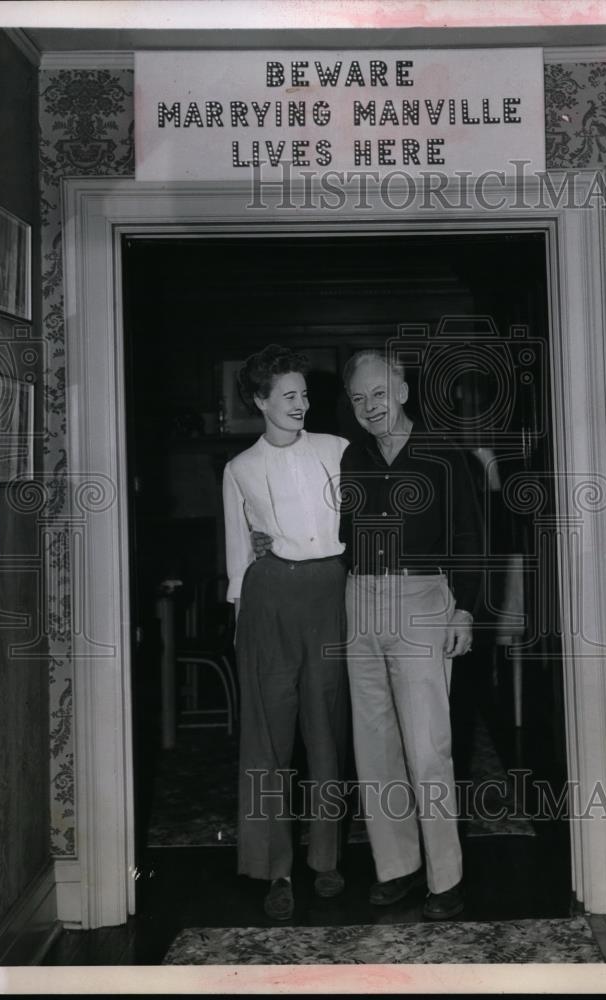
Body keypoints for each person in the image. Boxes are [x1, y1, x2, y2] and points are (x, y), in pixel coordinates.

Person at [339, 349, 483, 920]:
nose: (369, 407)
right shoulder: (352, 458)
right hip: (360, 600)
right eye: (357, 399)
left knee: (429, 748)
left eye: (378, 393)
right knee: (374, 746)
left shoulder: (447, 457)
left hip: (423, 600)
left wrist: (464, 611)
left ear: (401, 390)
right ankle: (396, 867)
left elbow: (471, 540)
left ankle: (445, 879)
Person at [222, 344, 349, 921]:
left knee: (326, 727)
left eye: (304, 394)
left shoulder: (338, 450)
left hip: (329, 593)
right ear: (260, 401)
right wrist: (241, 617)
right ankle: (276, 869)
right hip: (268, 601)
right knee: (268, 740)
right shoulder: (240, 469)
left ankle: (325, 859)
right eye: (289, 396)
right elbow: (237, 556)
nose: (301, 404)